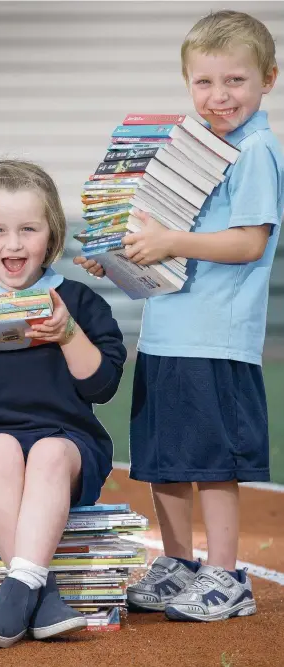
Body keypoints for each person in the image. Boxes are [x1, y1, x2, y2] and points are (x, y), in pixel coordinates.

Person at [74, 10, 284, 622]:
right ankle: (178, 566)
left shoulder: (256, 151)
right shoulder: (190, 148)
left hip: (216, 339)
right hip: (166, 330)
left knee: (214, 464)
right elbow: (163, 237)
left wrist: (167, 243)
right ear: (187, 83)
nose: (220, 96)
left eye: (236, 81)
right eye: (205, 83)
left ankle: (226, 576)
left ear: (268, 79)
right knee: (166, 459)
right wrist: (118, 256)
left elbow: (248, 242)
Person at [0, 160, 127, 647]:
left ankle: (16, 592)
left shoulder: (78, 303)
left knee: (48, 452)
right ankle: (40, 592)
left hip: (67, 444)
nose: (14, 244)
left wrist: (68, 334)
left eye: (28, 229)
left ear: (52, 234)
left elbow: (100, 386)